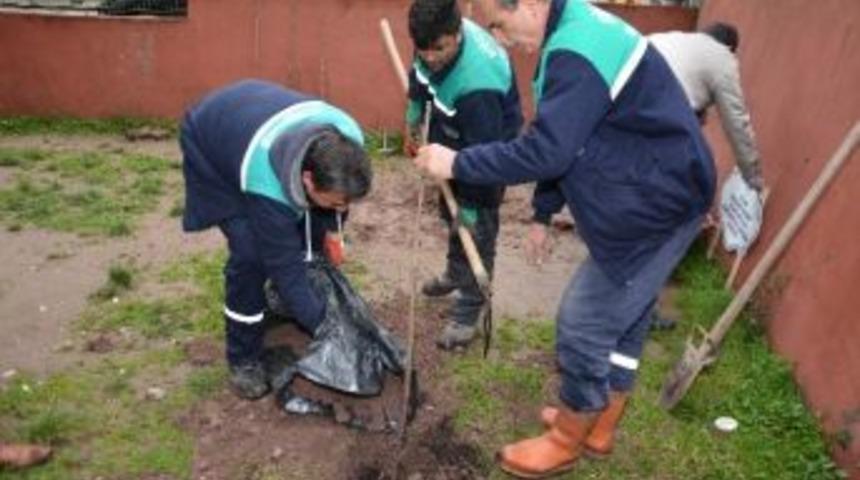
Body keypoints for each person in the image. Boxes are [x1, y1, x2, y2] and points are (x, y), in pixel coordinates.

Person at [414, 0, 715, 477]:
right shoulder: (569, 32)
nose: (501, 39)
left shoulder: (576, 51)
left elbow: (548, 151)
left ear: (530, 4)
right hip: (661, 185)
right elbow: (566, 135)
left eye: (500, 24)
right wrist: (543, 214)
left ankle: (567, 438)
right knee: (628, 320)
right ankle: (600, 425)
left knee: (583, 322)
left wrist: (456, 163)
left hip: (658, 204)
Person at [181, 79, 373, 400]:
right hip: (211, 141)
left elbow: (330, 206)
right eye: (338, 202)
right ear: (308, 180)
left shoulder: (348, 136)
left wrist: (334, 230)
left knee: (310, 227)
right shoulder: (266, 185)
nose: (344, 209)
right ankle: (242, 357)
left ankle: (290, 302)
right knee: (251, 255)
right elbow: (285, 265)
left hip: (256, 112)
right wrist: (328, 331)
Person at [404, 0, 523, 350]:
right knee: (450, 211)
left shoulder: (477, 85)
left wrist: (471, 204)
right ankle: (457, 273)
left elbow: (481, 159)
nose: (430, 57)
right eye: (422, 49)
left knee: (477, 228)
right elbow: (420, 75)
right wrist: (413, 113)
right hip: (453, 130)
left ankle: (469, 311)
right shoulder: (431, 41)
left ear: (456, 35)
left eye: (438, 49)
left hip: (488, 147)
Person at [646, 22, 763, 330]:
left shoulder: (672, 39)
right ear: (730, 48)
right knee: (657, 223)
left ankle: (622, 302)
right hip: (655, 140)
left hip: (621, 123)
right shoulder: (721, 58)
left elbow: (677, 90)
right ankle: (640, 312)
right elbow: (736, 121)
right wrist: (752, 175)